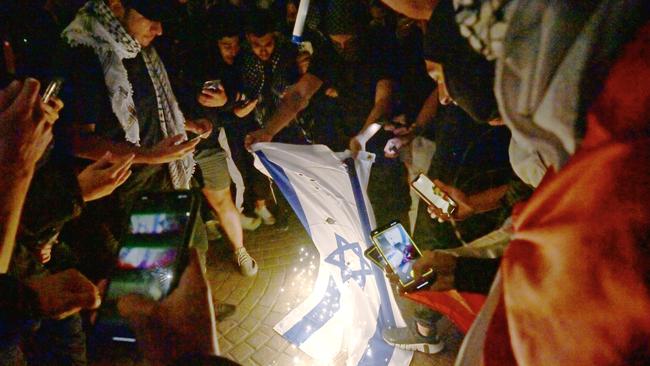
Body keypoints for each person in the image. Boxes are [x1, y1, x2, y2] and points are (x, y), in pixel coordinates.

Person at [54, 0, 210, 277]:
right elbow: (76, 140)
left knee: (192, 250)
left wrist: (185, 124)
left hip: (169, 175)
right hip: (131, 192)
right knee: (153, 271)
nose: (159, 30)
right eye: (151, 17)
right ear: (115, 6)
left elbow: (144, 109)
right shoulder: (85, 53)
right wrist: (150, 156)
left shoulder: (135, 45)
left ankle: (198, 306)